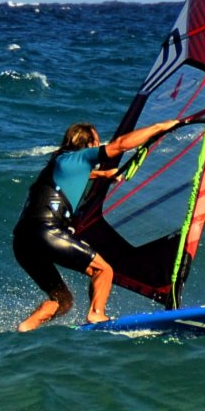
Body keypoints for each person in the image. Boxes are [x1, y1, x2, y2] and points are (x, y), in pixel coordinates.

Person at [13, 118, 181, 331]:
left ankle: (26, 328)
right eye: (97, 141)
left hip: (22, 242)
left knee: (62, 301)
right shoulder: (80, 157)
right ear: (90, 144)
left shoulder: (59, 163)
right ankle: (96, 314)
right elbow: (119, 144)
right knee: (103, 270)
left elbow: (81, 174)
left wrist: (102, 175)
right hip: (47, 231)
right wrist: (160, 127)